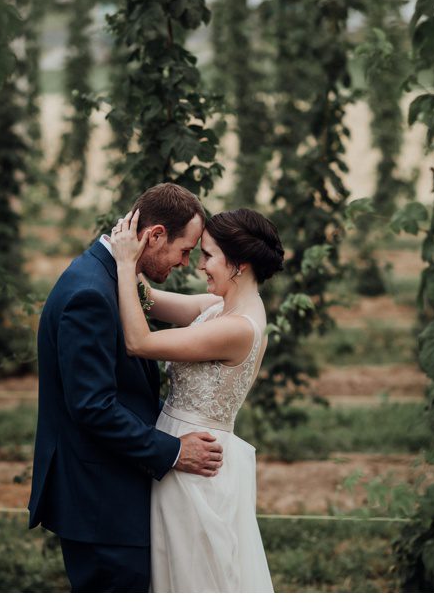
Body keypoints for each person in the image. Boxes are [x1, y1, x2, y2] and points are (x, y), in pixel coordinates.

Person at [27, 183, 225, 592]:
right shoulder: (90, 293)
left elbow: (167, 305)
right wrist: (174, 451)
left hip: (112, 496)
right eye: (184, 250)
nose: (185, 262)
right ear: (154, 235)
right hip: (102, 504)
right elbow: (93, 407)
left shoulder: (112, 277)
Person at [109, 205, 283, 592]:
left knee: (193, 577)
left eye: (207, 256)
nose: (199, 265)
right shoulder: (219, 309)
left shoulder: (238, 328)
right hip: (176, 450)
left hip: (196, 464)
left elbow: (140, 341)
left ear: (238, 264)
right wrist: (134, 250)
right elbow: (148, 298)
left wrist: (123, 266)